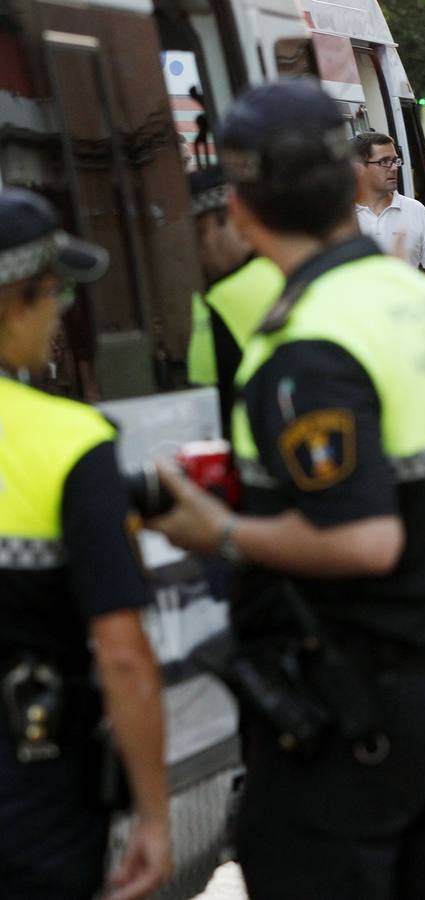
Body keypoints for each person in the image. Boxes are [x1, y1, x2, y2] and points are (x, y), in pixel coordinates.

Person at [148, 79, 425, 898]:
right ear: (351, 186)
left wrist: (220, 533)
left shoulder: (308, 345)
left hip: (342, 715)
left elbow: (363, 539)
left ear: (239, 207)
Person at [0, 188, 170, 899]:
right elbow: (124, 655)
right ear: (15, 298)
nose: (63, 311)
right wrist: (155, 817)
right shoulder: (70, 441)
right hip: (32, 791)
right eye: (58, 293)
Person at [185, 167, 285, 431]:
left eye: (201, 233)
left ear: (234, 221)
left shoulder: (221, 298)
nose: (200, 251)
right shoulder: (287, 273)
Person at [352, 132, 425, 270]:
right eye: (384, 161)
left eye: (395, 161)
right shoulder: (339, 219)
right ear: (358, 168)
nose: (394, 168)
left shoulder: (416, 211)